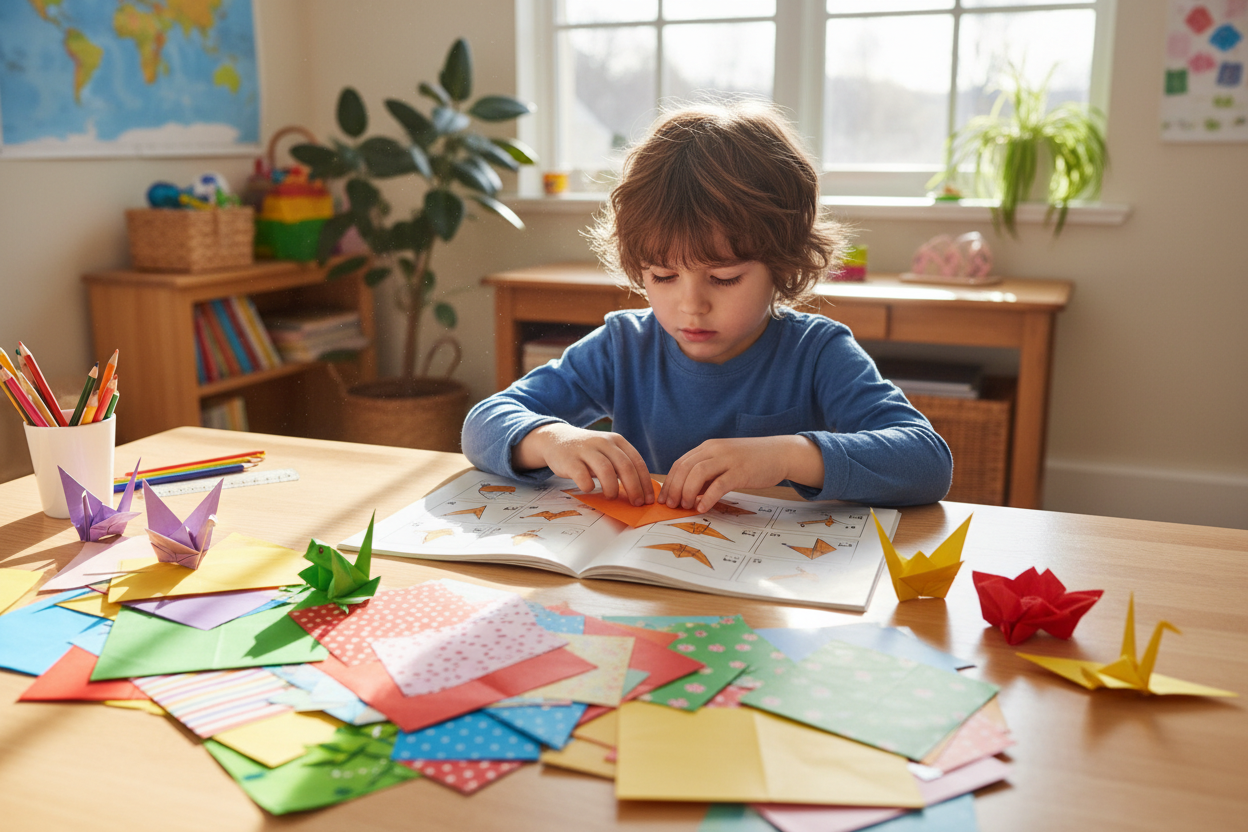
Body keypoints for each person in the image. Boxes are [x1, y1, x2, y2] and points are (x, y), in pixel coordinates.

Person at [462, 101, 952, 513]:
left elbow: (927, 462)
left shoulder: (817, 352)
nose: (691, 305)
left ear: (783, 265)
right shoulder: (624, 346)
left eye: (724, 278)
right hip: (645, 582)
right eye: (663, 276)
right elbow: (483, 422)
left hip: (769, 588)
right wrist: (551, 439)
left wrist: (788, 456)